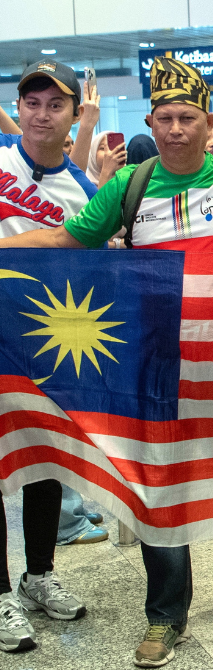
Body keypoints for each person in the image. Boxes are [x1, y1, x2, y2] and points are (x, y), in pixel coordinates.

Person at [0, 56, 213, 667]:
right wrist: (7, 247)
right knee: (162, 484)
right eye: (167, 118)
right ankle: (165, 614)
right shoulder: (130, 187)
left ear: (209, 124)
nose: (177, 129)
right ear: (152, 119)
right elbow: (69, 241)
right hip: (155, 367)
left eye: (189, 118)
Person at [0, 57, 94, 656]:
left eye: (55, 104)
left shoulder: (84, 191)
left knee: (44, 463)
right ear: (18, 109)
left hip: (45, 346)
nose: (41, 113)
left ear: (75, 115)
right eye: (31, 102)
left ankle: (37, 575)